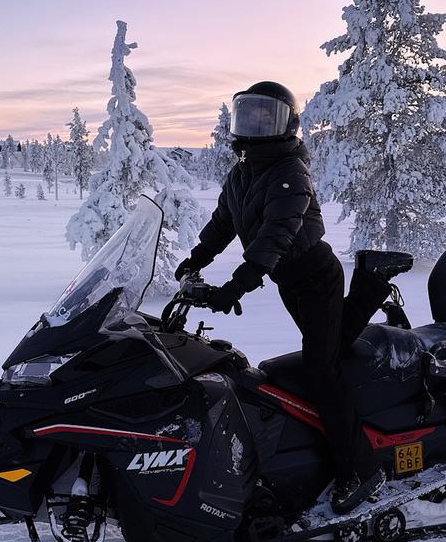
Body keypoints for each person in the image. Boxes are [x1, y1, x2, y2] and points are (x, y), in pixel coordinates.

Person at [175, 81, 411, 514]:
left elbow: (275, 237)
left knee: (323, 371)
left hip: (316, 276)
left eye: (266, 115)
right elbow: (223, 222)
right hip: (290, 279)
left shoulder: (290, 172)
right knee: (334, 346)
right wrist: (196, 258)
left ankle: (359, 470)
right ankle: (372, 281)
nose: (255, 123)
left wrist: (236, 286)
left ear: (286, 123)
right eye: (248, 114)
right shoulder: (243, 172)